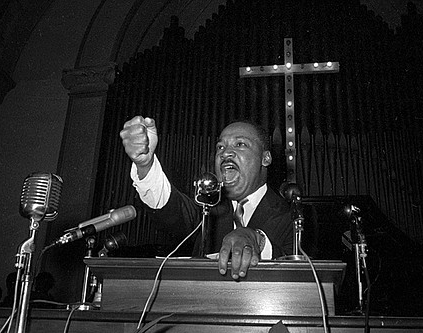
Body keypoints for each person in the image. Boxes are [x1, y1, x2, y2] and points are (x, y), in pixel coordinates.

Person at [120, 116, 293, 279]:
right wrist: (145, 165)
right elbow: (174, 208)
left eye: (240, 144)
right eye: (220, 147)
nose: (225, 154)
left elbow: (302, 270)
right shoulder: (207, 208)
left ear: (265, 158)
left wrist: (258, 240)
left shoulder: (294, 215)